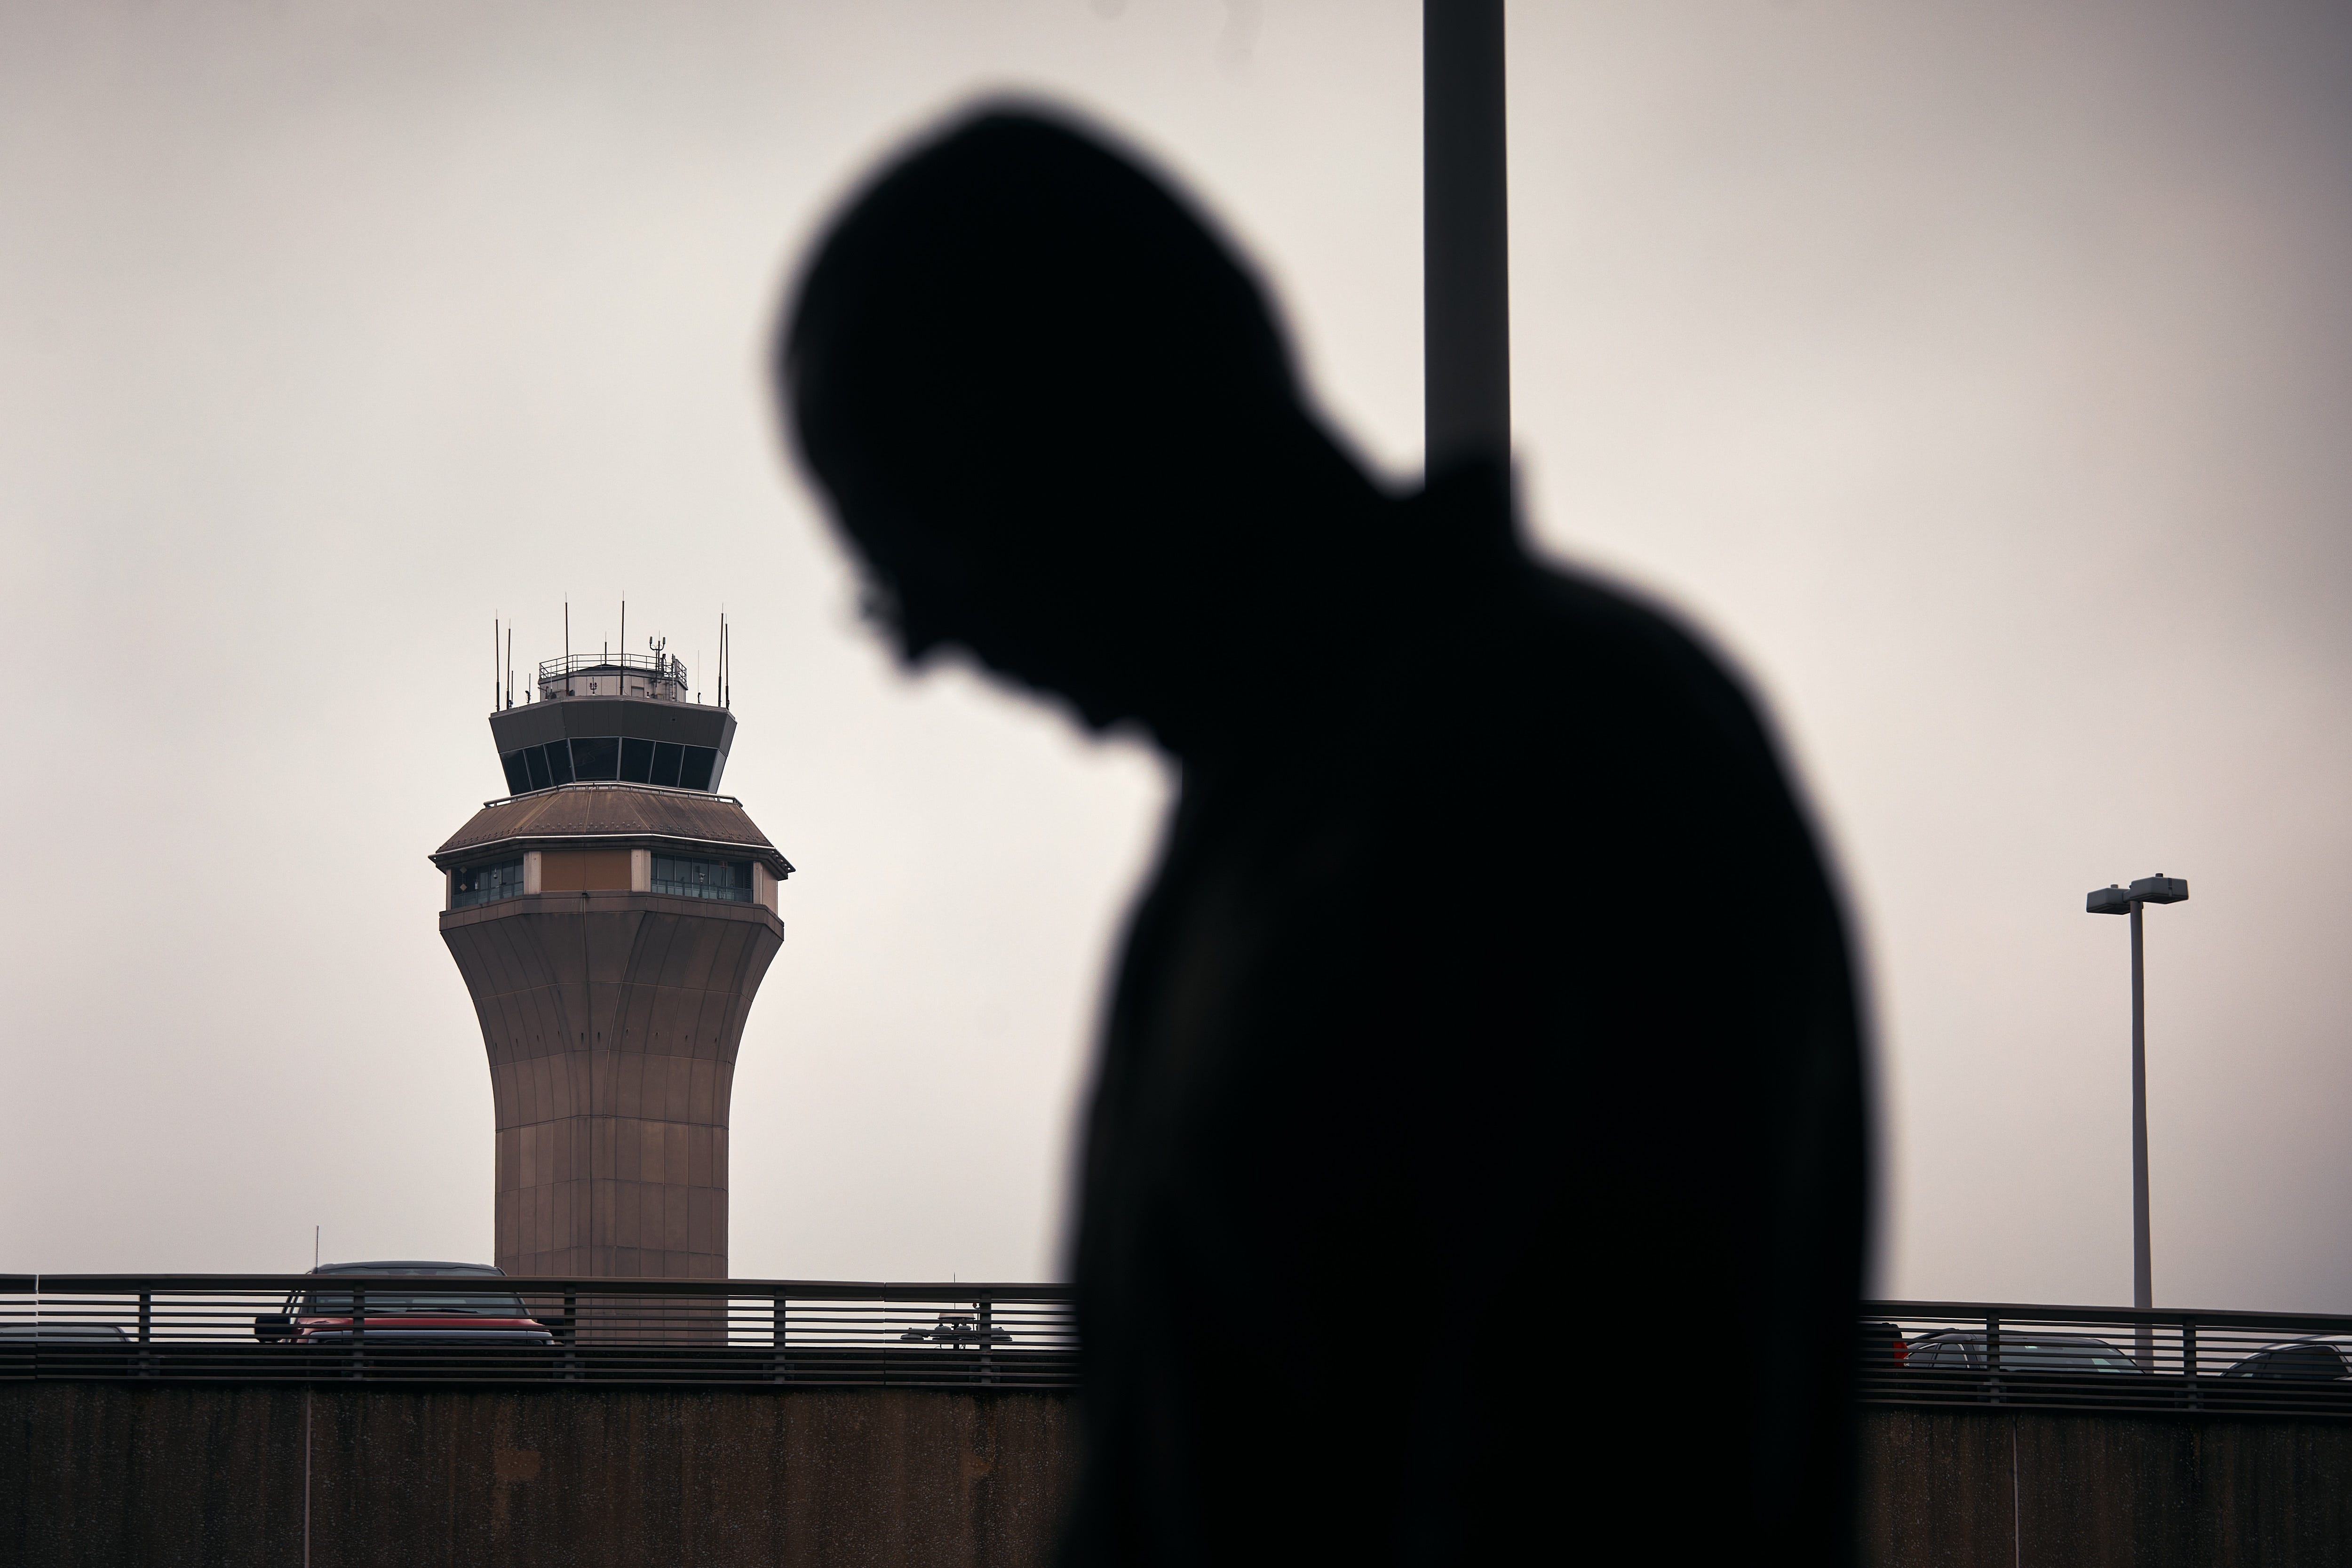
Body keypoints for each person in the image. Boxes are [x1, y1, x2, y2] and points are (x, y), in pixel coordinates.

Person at [778, 105, 1867, 1567]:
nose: (921, 645)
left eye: (915, 552)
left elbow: (1584, 1469)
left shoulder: (1545, 759)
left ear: (1075, 441)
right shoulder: (1264, 836)